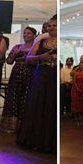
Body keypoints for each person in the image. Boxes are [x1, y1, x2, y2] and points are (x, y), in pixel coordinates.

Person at [17, 15, 57, 152]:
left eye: (54, 25)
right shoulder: (41, 41)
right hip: (41, 77)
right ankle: (35, 140)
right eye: (49, 25)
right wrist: (41, 57)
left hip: (54, 79)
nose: (51, 28)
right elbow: (28, 59)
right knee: (38, 105)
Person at [1, 27, 38, 132]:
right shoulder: (17, 47)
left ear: (34, 35)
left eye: (29, 33)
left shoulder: (36, 48)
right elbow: (8, 61)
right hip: (16, 75)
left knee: (25, 99)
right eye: (25, 33)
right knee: (13, 97)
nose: (26, 35)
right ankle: (12, 125)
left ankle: (24, 126)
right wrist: (14, 54)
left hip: (29, 76)